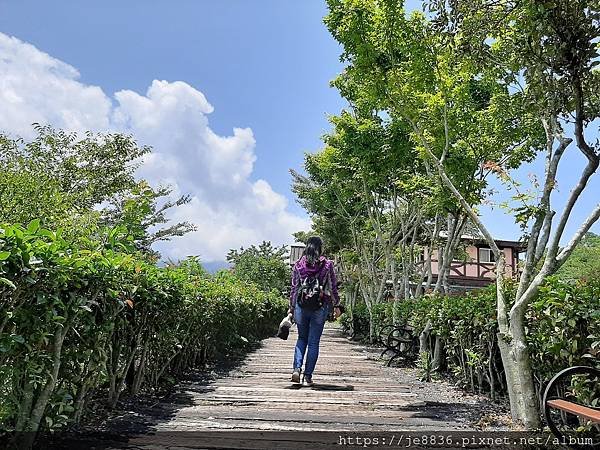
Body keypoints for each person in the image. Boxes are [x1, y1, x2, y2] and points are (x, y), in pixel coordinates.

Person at [288, 236, 341, 386]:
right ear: (320, 248)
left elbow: (294, 288)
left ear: (307, 247)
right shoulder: (327, 265)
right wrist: (336, 305)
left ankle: (296, 370)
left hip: (301, 306)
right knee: (313, 342)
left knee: (301, 339)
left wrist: (291, 307)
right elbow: (333, 286)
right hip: (319, 306)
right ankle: (308, 376)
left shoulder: (298, 265)